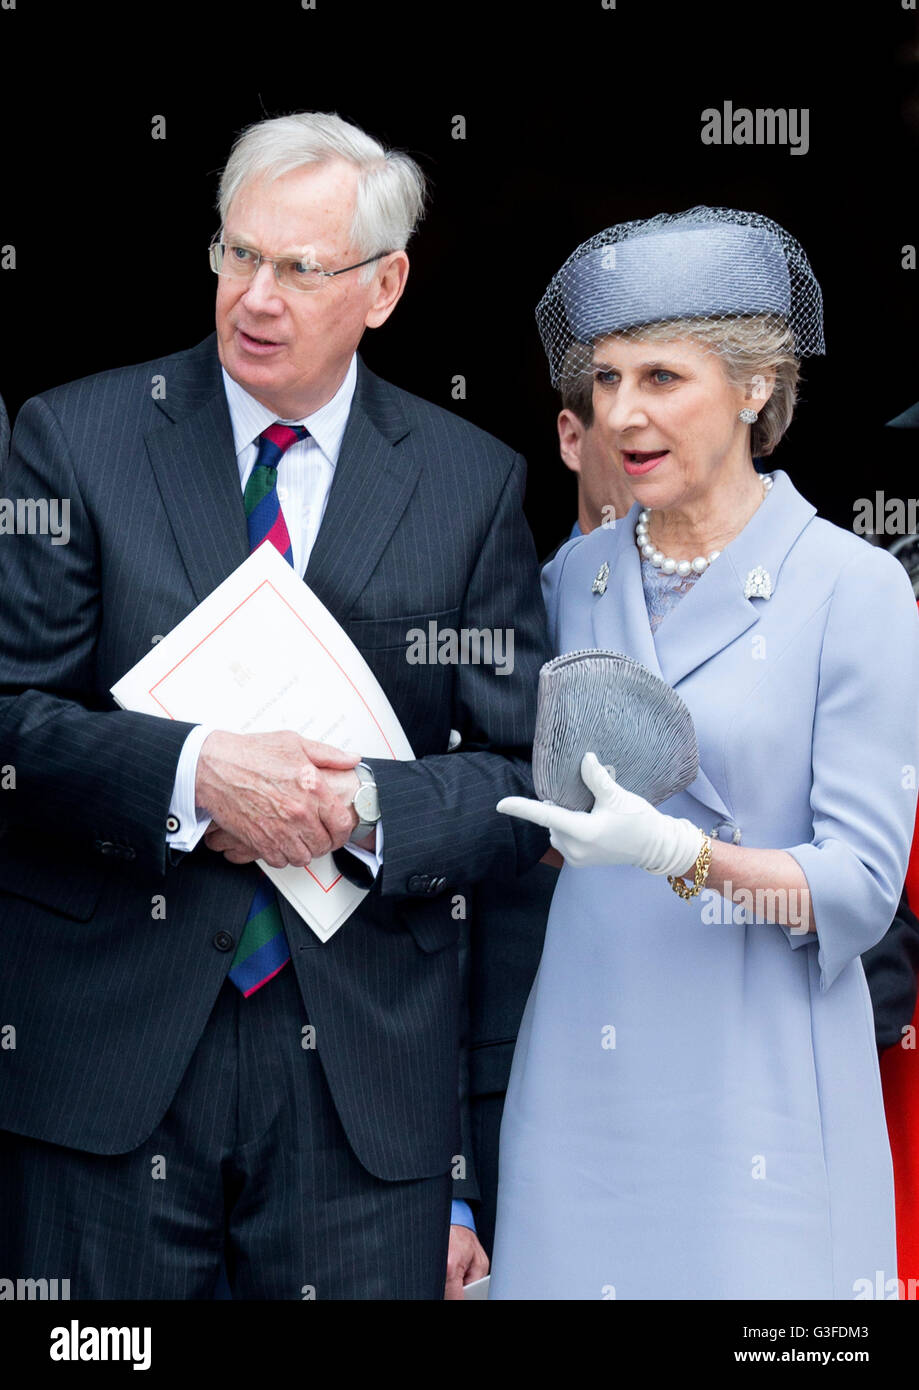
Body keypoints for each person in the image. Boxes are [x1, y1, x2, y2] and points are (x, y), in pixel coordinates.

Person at [0, 111, 550, 1300]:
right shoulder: (76, 440)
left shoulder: (469, 482)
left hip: (361, 1097)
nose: (255, 296)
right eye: (237, 254)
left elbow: (521, 776)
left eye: (299, 269)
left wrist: (361, 808)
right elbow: (11, 718)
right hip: (111, 1066)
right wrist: (193, 778)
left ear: (384, 285)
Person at [491, 207, 919, 1299]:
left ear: (754, 386)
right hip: (581, 1091)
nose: (622, 413)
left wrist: (673, 853)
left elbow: (861, 891)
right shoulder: (567, 583)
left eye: (662, 379)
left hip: (758, 1086)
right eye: (606, 380)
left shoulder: (851, 588)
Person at [461, 353, 634, 1256]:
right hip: (510, 1076)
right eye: (617, 396)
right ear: (570, 435)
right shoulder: (478, 626)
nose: (648, 428)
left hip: (725, 1076)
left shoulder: (791, 623)